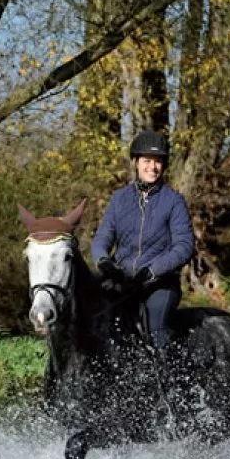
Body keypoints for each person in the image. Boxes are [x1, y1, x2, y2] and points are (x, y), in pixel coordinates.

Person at [91, 129, 195, 348]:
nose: (152, 167)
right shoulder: (119, 199)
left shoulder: (174, 201)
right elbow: (102, 239)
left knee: (155, 327)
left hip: (159, 284)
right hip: (122, 281)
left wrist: (152, 271)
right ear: (135, 162)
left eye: (158, 162)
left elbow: (184, 246)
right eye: (147, 161)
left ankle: (167, 380)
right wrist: (104, 262)